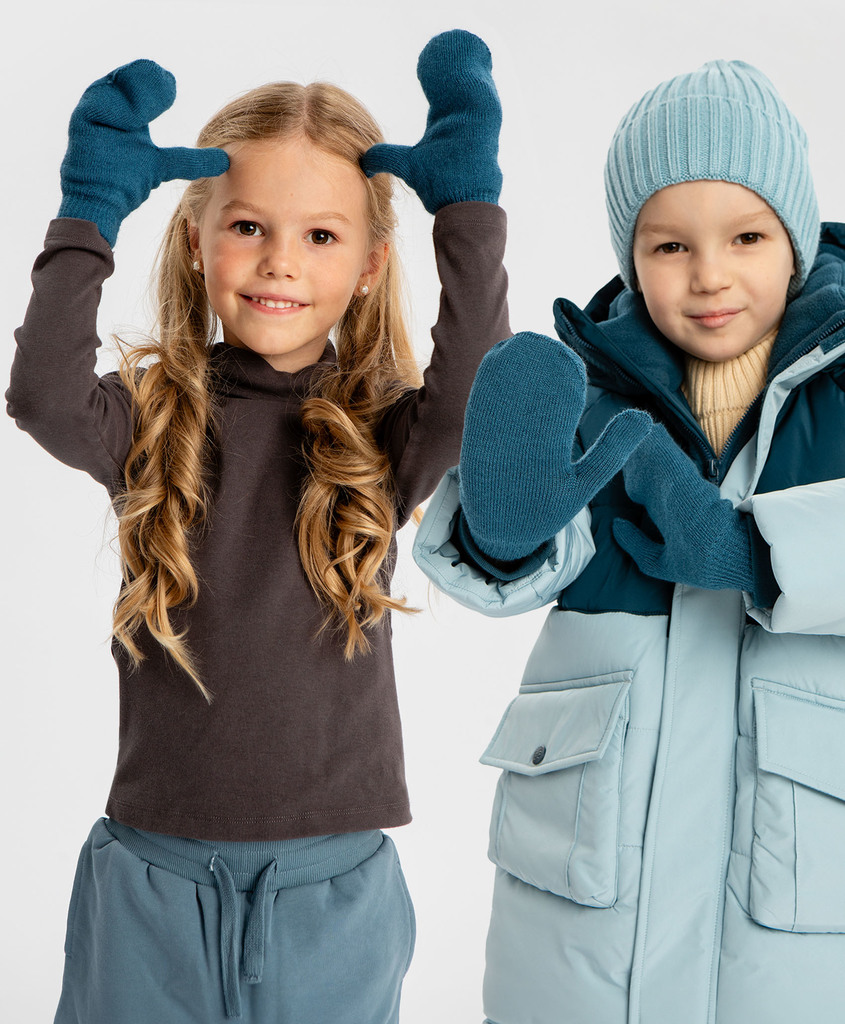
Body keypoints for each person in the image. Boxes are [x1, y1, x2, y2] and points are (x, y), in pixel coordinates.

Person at [7, 29, 509, 1024]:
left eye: (320, 236)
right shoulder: (152, 416)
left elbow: (474, 400)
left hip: (333, 889)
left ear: (368, 265)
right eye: (247, 225)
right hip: (149, 881)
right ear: (196, 239)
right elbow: (42, 397)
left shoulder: (380, 433)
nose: (279, 260)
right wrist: (88, 210)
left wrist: (467, 212)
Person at [413, 59, 845, 1024]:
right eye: (668, 245)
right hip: (580, 932)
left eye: (745, 236)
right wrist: (499, 538)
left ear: (795, 238)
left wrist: (752, 554)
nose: (708, 275)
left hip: (796, 932)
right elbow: (517, 571)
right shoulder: (586, 392)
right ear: (630, 253)